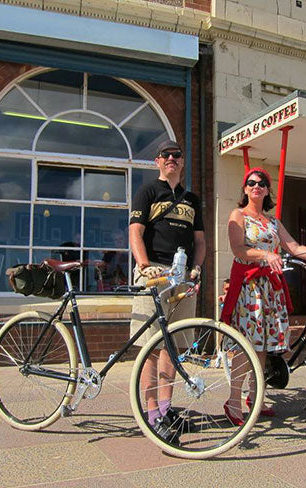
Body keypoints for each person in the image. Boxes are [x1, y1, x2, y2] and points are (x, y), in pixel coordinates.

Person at [221, 167, 306, 424]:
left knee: (264, 346)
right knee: (247, 344)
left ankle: (256, 398)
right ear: (245, 188)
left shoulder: (273, 222)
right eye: (251, 182)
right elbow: (239, 249)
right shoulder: (238, 215)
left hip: (270, 290)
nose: (256, 186)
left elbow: (295, 247)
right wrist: (266, 254)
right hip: (249, 289)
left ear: (267, 190)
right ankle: (232, 401)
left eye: (262, 183)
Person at [129, 139, 205, 444]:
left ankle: (165, 407)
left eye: (177, 155)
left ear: (182, 162)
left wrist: (196, 270)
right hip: (154, 273)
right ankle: (151, 415)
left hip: (182, 276)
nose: (171, 158)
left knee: (173, 348)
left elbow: (199, 241)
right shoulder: (147, 191)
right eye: (166, 155)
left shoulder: (192, 199)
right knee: (151, 347)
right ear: (158, 162)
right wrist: (144, 265)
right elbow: (135, 232)